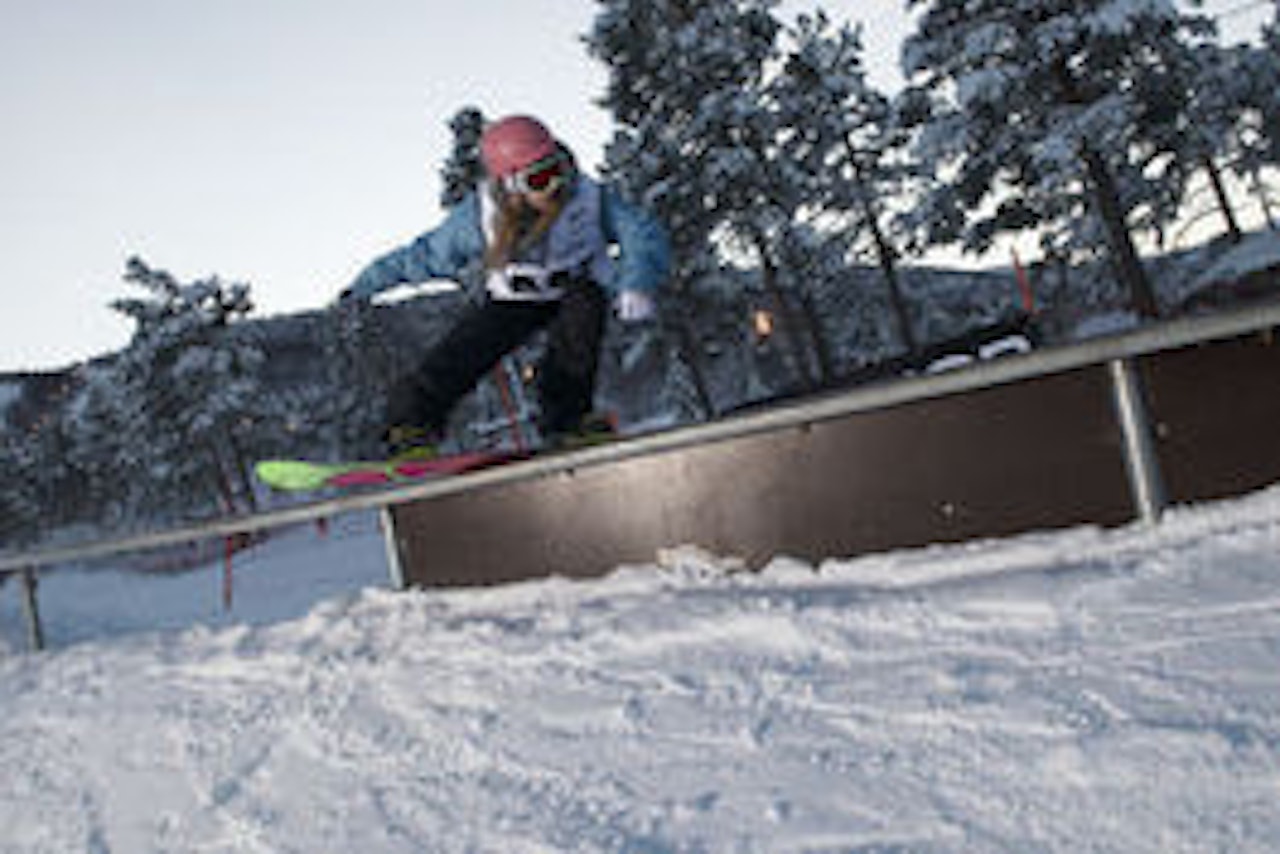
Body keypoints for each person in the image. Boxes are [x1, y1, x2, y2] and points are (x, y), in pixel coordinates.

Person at [339, 114, 670, 456]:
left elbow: (640, 232)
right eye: (540, 178)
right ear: (511, 184)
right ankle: (411, 424)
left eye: (558, 168)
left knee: (582, 316)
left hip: (573, 289)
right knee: (468, 348)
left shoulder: (588, 198)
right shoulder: (480, 219)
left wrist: (637, 282)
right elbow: (423, 256)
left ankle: (567, 420)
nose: (556, 185)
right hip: (516, 298)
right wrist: (365, 285)